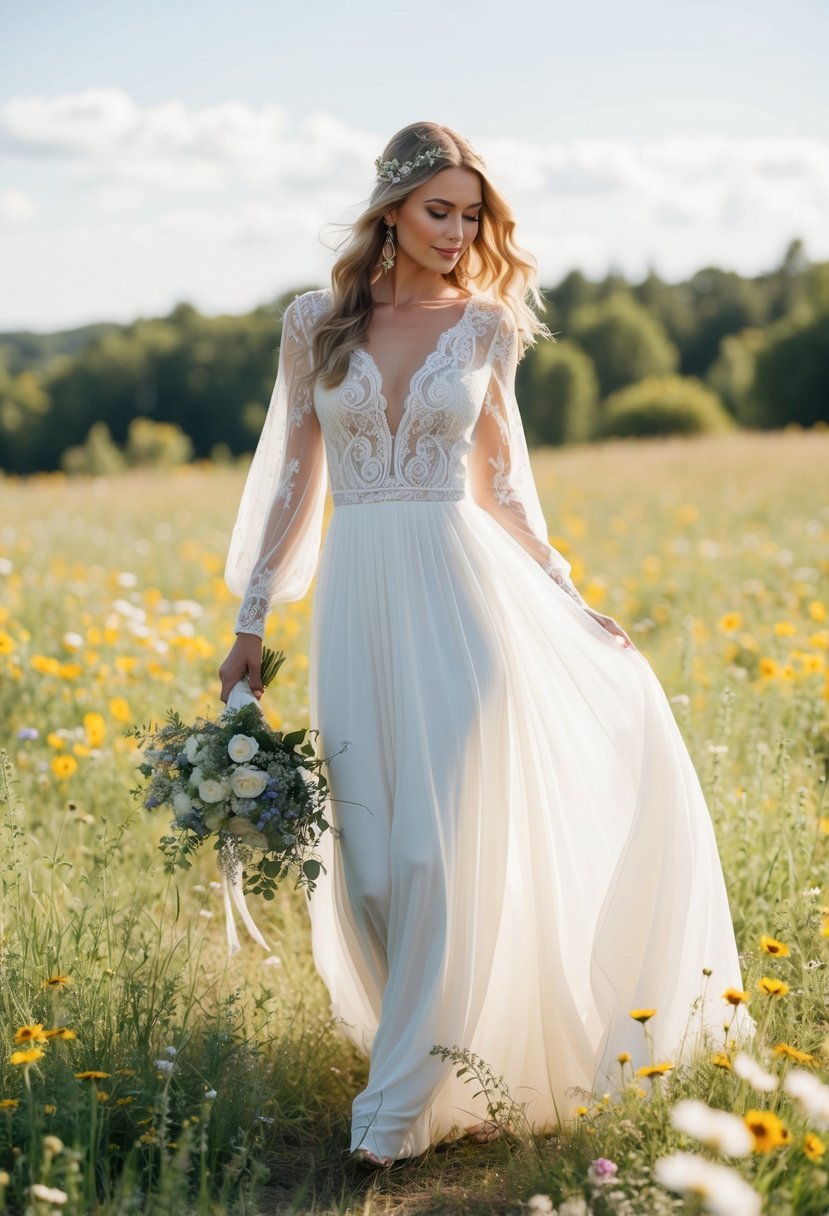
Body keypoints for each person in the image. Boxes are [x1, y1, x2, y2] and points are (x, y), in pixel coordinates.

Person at [219, 121, 753, 1169]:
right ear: (391, 209)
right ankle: (439, 1052)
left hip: (464, 600)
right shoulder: (315, 323)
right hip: (360, 600)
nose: (459, 232)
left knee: (435, 848)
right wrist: (252, 617)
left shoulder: (485, 326)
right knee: (370, 858)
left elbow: (502, 485)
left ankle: (400, 1104)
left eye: (472, 215)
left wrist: (567, 595)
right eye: (440, 211)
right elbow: (293, 478)